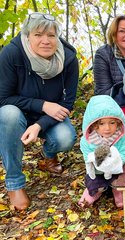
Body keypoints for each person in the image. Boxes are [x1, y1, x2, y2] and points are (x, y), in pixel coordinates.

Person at [0, 12, 79, 210]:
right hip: (17, 112)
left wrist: (39, 124)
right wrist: (43, 105)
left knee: (66, 138)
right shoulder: (12, 54)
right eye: (38, 35)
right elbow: (3, 98)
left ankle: (49, 153)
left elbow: (67, 103)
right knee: (7, 114)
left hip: (49, 117)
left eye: (51, 35)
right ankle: (15, 183)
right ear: (27, 36)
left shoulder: (68, 59)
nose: (45, 41)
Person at [78, 95, 125, 208]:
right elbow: (88, 157)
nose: (107, 128)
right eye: (101, 124)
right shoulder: (87, 140)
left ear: (118, 122)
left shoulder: (124, 135)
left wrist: (116, 161)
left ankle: (117, 190)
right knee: (94, 183)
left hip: (117, 169)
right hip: (97, 171)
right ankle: (94, 191)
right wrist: (98, 161)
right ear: (94, 125)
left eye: (112, 123)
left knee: (121, 178)